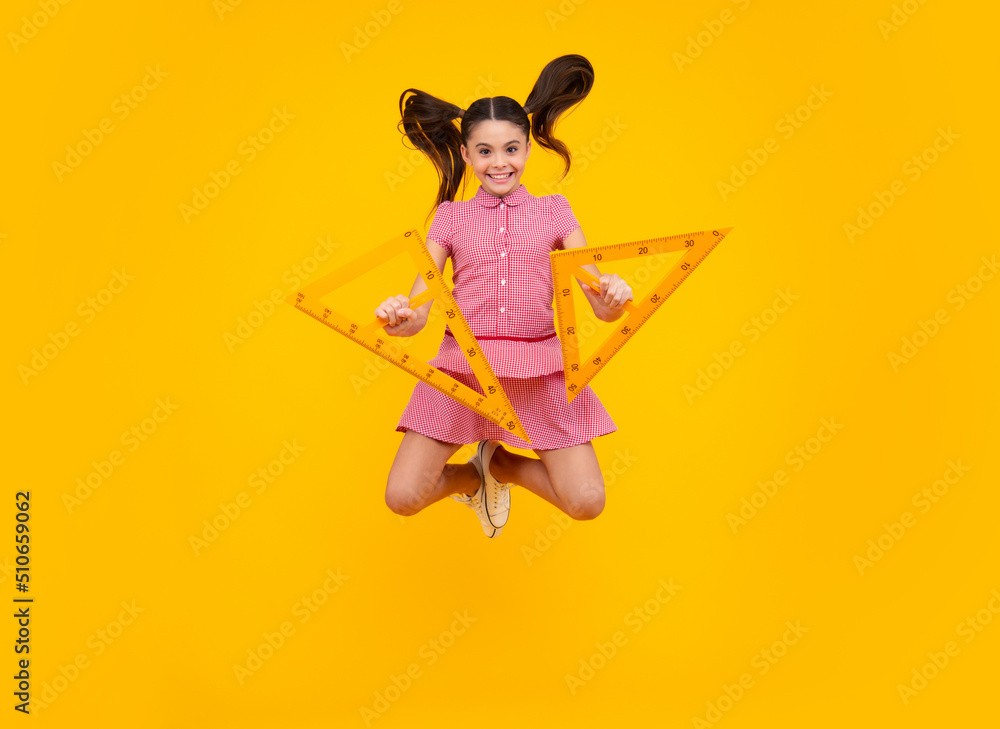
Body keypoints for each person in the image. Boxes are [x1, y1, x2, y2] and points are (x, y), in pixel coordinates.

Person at [375, 54, 633, 538]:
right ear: (468, 155)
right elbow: (416, 316)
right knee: (402, 497)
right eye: (486, 151)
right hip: (463, 371)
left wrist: (614, 293)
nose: (501, 162)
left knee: (586, 501)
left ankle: (501, 466)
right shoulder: (449, 218)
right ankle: (472, 476)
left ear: (527, 150)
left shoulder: (556, 212)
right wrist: (396, 314)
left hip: (542, 371)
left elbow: (600, 303)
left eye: (511, 149)